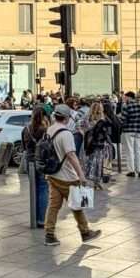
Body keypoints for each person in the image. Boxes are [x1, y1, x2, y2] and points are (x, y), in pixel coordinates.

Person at [43, 103, 101, 246]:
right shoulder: (66, 133)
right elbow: (71, 156)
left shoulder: (49, 130)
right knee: (77, 205)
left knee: (53, 206)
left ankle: (49, 234)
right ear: (67, 118)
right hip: (67, 176)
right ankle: (85, 232)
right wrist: (81, 175)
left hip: (52, 174)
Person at [22, 106, 50, 227]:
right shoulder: (45, 130)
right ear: (44, 116)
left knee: (34, 189)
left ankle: (34, 217)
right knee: (43, 188)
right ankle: (41, 219)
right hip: (42, 162)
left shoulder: (26, 129)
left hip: (30, 161)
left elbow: (24, 146)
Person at [80, 101, 113, 189]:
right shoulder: (102, 119)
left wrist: (84, 133)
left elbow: (79, 126)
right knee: (98, 162)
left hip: (88, 143)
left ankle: (86, 179)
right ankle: (97, 181)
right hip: (99, 144)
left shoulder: (87, 118)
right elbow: (106, 132)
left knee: (87, 161)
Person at [120, 91, 140, 178]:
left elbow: (123, 120)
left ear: (129, 97)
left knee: (130, 151)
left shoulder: (126, 106)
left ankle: (131, 170)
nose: (124, 99)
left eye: (125, 97)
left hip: (129, 130)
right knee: (138, 151)